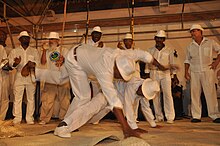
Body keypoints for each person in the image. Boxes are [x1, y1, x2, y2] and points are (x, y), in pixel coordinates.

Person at [54, 44, 170, 138]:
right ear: (116, 68)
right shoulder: (105, 70)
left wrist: (162, 67)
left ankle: (70, 121)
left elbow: (145, 55)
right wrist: (127, 129)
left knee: (91, 116)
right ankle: (64, 125)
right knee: (85, 99)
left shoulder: (124, 55)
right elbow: (119, 102)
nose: (120, 79)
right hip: (75, 61)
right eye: (120, 76)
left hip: (84, 56)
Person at [184, 24, 220, 123]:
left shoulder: (210, 42)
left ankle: (215, 115)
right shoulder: (190, 46)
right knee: (195, 94)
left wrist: (216, 62)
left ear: (201, 32)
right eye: (192, 31)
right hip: (194, 72)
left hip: (207, 70)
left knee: (210, 93)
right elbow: (187, 60)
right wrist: (186, 72)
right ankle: (196, 116)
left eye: (195, 31)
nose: (193, 33)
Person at [38, 32, 70, 125]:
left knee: (65, 100)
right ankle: (44, 118)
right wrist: (44, 51)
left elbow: (69, 62)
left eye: (53, 40)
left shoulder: (64, 50)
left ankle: (64, 118)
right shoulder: (47, 51)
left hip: (63, 77)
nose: (51, 42)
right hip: (50, 77)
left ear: (58, 41)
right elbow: (43, 62)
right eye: (50, 40)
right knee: (47, 100)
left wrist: (63, 60)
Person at [145, 30, 176, 124]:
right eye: (157, 38)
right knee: (155, 95)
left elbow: (172, 63)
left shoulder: (169, 50)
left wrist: (173, 75)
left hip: (165, 74)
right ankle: (158, 116)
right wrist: (147, 74)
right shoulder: (150, 50)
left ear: (164, 40)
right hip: (153, 73)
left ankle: (170, 117)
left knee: (167, 94)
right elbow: (147, 63)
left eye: (161, 38)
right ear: (155, 39)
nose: (159, 40)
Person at [8, 31, 40, 124]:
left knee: (31, 98)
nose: (26, 39)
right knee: (17, 98)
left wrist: (33, 64)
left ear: (29, 39)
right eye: (24, 37)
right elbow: (10, 64)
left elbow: (38, 63)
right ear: (20, 40)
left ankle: (29, 118)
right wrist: (15, 63)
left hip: (31, 75)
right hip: (19, 76)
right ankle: (17, 118)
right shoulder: (14, 51)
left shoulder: (34, 51)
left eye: (27, 37)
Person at [0, 30, 9, 120]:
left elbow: (5, 61)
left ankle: (1, 119)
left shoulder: (1, 48)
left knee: (4, 98)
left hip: (3, 76)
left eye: (3, 35)